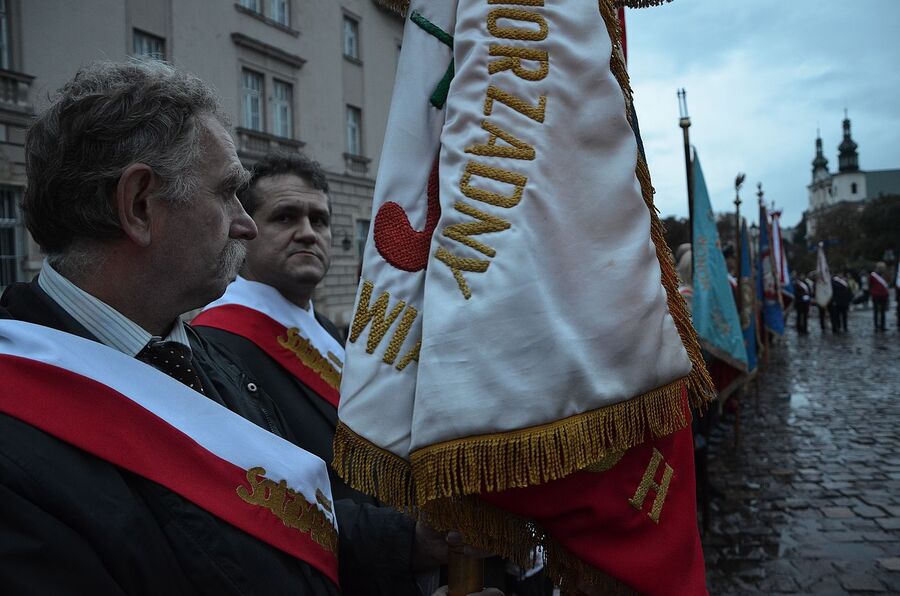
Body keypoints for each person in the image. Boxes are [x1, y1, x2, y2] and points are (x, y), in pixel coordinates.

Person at [0, 61, 341, 594]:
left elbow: (285, 533)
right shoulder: (15, 431)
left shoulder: (193, 352)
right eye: (226, 193)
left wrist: (410, 545)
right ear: (139, 206)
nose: (245, 224)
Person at [192, 153, 447, 596]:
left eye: (320, 219)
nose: (308, 232)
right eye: (285, 217)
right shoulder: (215, 346)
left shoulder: (328, 330)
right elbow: (268, 501)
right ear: (245, 229)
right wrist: (406, 541)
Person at [870, 261, 890, 331]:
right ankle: (877, 326)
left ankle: (882, 326)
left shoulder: (885, 275)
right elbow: (870, 284)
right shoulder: (873, 275)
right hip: (876, 295)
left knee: (882, 311)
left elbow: (888, 282)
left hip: (883, 295)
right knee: (877, 311)